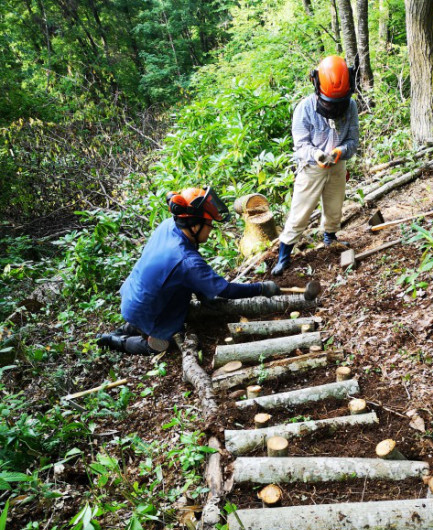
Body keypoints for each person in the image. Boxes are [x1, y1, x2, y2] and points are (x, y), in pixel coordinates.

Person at [97, 187, 280, 355]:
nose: (210, 230)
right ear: (194, 226)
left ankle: (128, 327)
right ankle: (117, 341)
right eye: (209, 225)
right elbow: (225, 290)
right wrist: (261, 288)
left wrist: (203, 295)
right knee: (160, 345)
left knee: (146, 313)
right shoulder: (187, 261)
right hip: (146, 306)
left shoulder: (169, 225)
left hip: (134, 293)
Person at [272, 55, 359, 276]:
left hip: (338, 165)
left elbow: (353, 140)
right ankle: (284, 255)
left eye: (337, 104)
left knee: (334, 206)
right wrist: (316, 155)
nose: (334, 108)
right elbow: (300, 145)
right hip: (311, 168)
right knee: (300, 212)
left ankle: (330, 238)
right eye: (329, 103)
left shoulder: (350, 107)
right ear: (316, 86)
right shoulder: (304, 109)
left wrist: (341, 151)